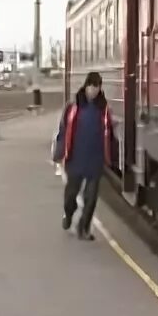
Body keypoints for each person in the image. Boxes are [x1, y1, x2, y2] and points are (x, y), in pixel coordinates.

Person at [51, 71, 113, 240]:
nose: (94, 90)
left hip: (95, 159)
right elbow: (63, 132)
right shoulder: (73, 108)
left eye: (97, 87)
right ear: (86, 87)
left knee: (91, 198)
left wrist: (110, 157)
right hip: (75, 158)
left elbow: (109, 134)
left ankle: (83, 228)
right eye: (91, 86)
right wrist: (58, 153)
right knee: (71, 195)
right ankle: (69, 214)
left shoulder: (103, 110)